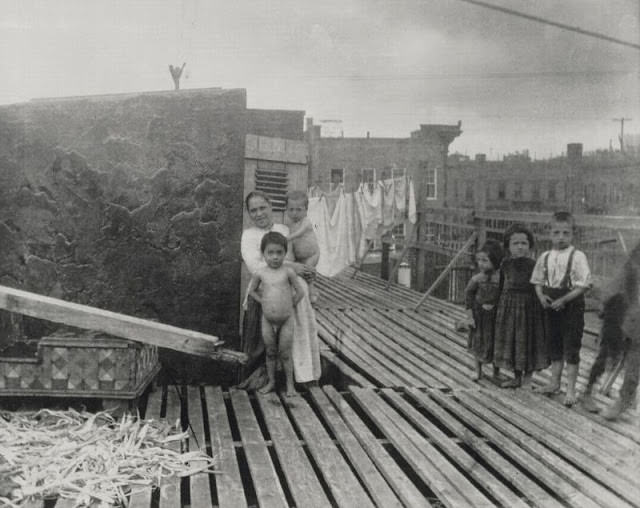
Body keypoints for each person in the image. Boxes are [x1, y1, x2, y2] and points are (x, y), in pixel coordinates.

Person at [238, 191, 321, 392]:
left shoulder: (284, 229)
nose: (259, 214)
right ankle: (266, 378)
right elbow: (256, 266)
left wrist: (308, 270)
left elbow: (301, 253)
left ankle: (299, 377)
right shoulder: (249, 236)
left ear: (271, 206)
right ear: (249, 214)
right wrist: (292, 265)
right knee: (266, 344)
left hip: (290, 290)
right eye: (253, 210)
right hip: (265, 292)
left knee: (295, 332)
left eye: (262, 208)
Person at [532, 211, 592, 407]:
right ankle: (554, 383)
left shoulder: (577, 256)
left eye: (566, 233)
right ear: (549, 233)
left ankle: (571, 389)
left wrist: (564, 300)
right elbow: (538, 281)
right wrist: (541, 296)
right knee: (554, 344)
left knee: (571, 347)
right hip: (550, 303)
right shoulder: (545, 256)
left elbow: (582, 285)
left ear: (573, 234)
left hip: (571, 305)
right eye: (556, 232)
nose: (560, 237)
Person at [581, 240, 640, 420]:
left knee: (633, 365)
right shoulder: (631, 267)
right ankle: (587, 392)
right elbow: (615, 288)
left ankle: (625, 399)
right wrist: (607, 306)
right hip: (620, 315)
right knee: (606, 356)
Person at [244, 232, 304, 396]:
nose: (275, 257)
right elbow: (252, 291)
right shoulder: (261, 273)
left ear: (285, 253)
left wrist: (290, 304)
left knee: (285, 352)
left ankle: (290, 385)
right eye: (270, 253)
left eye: (279, 252)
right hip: (267, 320)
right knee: (270, 352)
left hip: (286, 319)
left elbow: (300, 292)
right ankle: (271, 382)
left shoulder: (288, 272)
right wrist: (263, 301)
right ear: (263, 254)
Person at [493, 223, 548, 389]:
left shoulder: (535, 265)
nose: (520, 247)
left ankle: (527, 379)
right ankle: (516, 376)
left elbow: (541, 286)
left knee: (528, 341)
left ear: (530, 246)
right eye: (515, 243)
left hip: (529, 308)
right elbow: (501, 285)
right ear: (508, 246)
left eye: (524, 243)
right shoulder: (505, 265)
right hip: (508, 308)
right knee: (513, 342)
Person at [463, 239, 504, 381]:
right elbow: (468, 297)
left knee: (495, 341)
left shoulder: (501, 279)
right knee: (478, 342)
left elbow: (504, 296)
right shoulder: (476, 279)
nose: (481, 264)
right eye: (479, 260)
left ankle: (496, 371)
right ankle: (478, 370)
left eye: (485, 260)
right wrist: (469, 317)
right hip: (479, 315)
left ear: (495, 260)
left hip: (495, 316)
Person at [285, 191, 320, 303]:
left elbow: (299, 233)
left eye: (299, 210)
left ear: (306, 210)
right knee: (299, 272)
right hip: (299, 256)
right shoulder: (288, 223)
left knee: (308, 273)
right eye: (291, 209)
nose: (294, 213)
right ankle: (303, 291)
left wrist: (287, 238)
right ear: (286, 210)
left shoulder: (306, 221)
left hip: (312, 254)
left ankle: (311, 292)